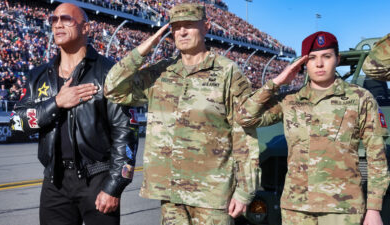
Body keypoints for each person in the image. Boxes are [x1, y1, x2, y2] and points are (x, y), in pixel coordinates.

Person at [104, 3, 259, 224]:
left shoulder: (227, 72)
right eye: (176, 27)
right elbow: (112, 88)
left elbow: (243, 133)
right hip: (171, 193)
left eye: (189, 25)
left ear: (205, 27)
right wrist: (146, 47)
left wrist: (245, 190)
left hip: (213, 195)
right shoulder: (161, 73)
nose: (182, 32)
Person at [235, 31, 390, 225]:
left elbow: (376, 154)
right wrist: (277, 82)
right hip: (296, 209)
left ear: (337, 59)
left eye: (327, 56)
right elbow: (244, 117)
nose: (319, 64)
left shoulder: (360, 98)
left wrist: (374, 209)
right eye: (312, 58)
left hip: (342, 210)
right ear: (303, 64)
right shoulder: (290, 100)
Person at [10, 3, 138, 225]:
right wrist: (56, 103)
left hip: (98, 179)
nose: (58, 24)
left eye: (66, 19)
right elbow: (16, 123)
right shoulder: (38, 76)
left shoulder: (110, 72)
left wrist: (114, 186)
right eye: (54, 20)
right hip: (54, 183)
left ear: (86, 28)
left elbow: (126, 132)